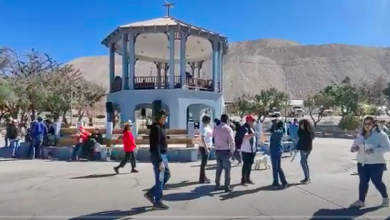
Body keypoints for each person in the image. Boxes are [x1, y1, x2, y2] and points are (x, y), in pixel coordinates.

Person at [350, 116, 390, 208]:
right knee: (363, 182)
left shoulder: (380, 135)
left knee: (377, 181)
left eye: (369, 124)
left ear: (373, 124)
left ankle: (385, 198)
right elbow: (355, 144)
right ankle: (361, 201)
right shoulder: (361, 135)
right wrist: (354, 148)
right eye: (365, 124)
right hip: (362, 163)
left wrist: (374, 150)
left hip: (376, 163)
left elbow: (387, 147)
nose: (367, 126)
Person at [144, 109, 170, 210]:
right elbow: (156, 145)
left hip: (163, 155)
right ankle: (158, 201)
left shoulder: (161, 127)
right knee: (160, 178)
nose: (166, 118)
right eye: (164, 117)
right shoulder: (156, 128)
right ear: (159, 118)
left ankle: (151, 193)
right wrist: (160, 161)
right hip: (158, 156)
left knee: (166, 175)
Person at [213, 114, 235, 192]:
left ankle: (217, 184)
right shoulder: (228, 129)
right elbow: (231, 141)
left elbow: (214, 138)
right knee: (227, 169)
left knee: (218, 169)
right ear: (227, 120)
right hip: (226, 151)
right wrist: (232, 151)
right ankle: (227, 186)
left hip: (218, 151)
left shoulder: (216, 128)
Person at [269, 114, 288, 188]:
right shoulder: (279, 129)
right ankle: (283, 182)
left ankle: (276, 182)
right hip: (277, 150)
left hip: (275, 150)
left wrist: (276, 123)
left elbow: (273, 131)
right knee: (278, 167)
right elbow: (271, 130)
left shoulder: (279, 130)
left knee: (275, 167)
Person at [238, 115, 257, 185]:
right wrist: (253, 135)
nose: (253, 122)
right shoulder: (244, 128)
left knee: (250, 165)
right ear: (248, 121)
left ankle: (248, 178)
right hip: (245, 150)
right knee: (245, 165)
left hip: (252, 150)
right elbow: (244, 137)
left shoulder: (251, 128)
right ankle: (243, 179)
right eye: (252, 121)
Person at [295, 119, 315, 184]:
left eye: (301, 124)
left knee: (303, 162)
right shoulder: (304, 131)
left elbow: (305, 140)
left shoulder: (306, 132)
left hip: (305, 148)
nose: (300, 126)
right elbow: (299, 138)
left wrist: (304, 149)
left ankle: (307, 178)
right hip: (305, 148)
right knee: (304, 162)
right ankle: (307, 177)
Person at [198, 115, 213, 183]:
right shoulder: (203, 128)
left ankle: (204, 177)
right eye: (209, 119)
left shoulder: (208, 127)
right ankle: (202, 179)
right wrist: (206, 148)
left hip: (208, 146)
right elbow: (202, 138)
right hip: (204, 147)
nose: (210, 121)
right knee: (203, 163)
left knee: (204, 163)